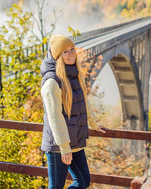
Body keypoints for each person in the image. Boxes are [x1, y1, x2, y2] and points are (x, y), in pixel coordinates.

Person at [40, 34, 105, 189]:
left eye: (72, 49)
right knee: (56, 186)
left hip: (74, 140)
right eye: (65, 52)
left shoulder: (74, 74)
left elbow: (83, 101)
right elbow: (54, 117)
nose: (71, 54)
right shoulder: (51, 82)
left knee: (83, 181)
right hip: (58, 145)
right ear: (57, 56)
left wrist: (94, 124)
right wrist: (64, 147)